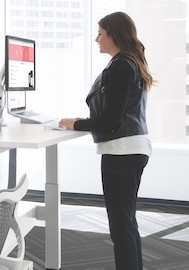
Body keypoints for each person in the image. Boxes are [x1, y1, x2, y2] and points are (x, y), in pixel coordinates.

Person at [59, 11, 154, 270]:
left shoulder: (122, 65)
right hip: (130, 150)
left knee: (121, 227)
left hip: (122, 153)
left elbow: (111, 120)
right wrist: (83, 121)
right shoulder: (128, 62)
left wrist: (78, 124)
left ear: (114, 34)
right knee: (126, 223)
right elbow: (115, 114)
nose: (96, 39)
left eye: (100, 33)